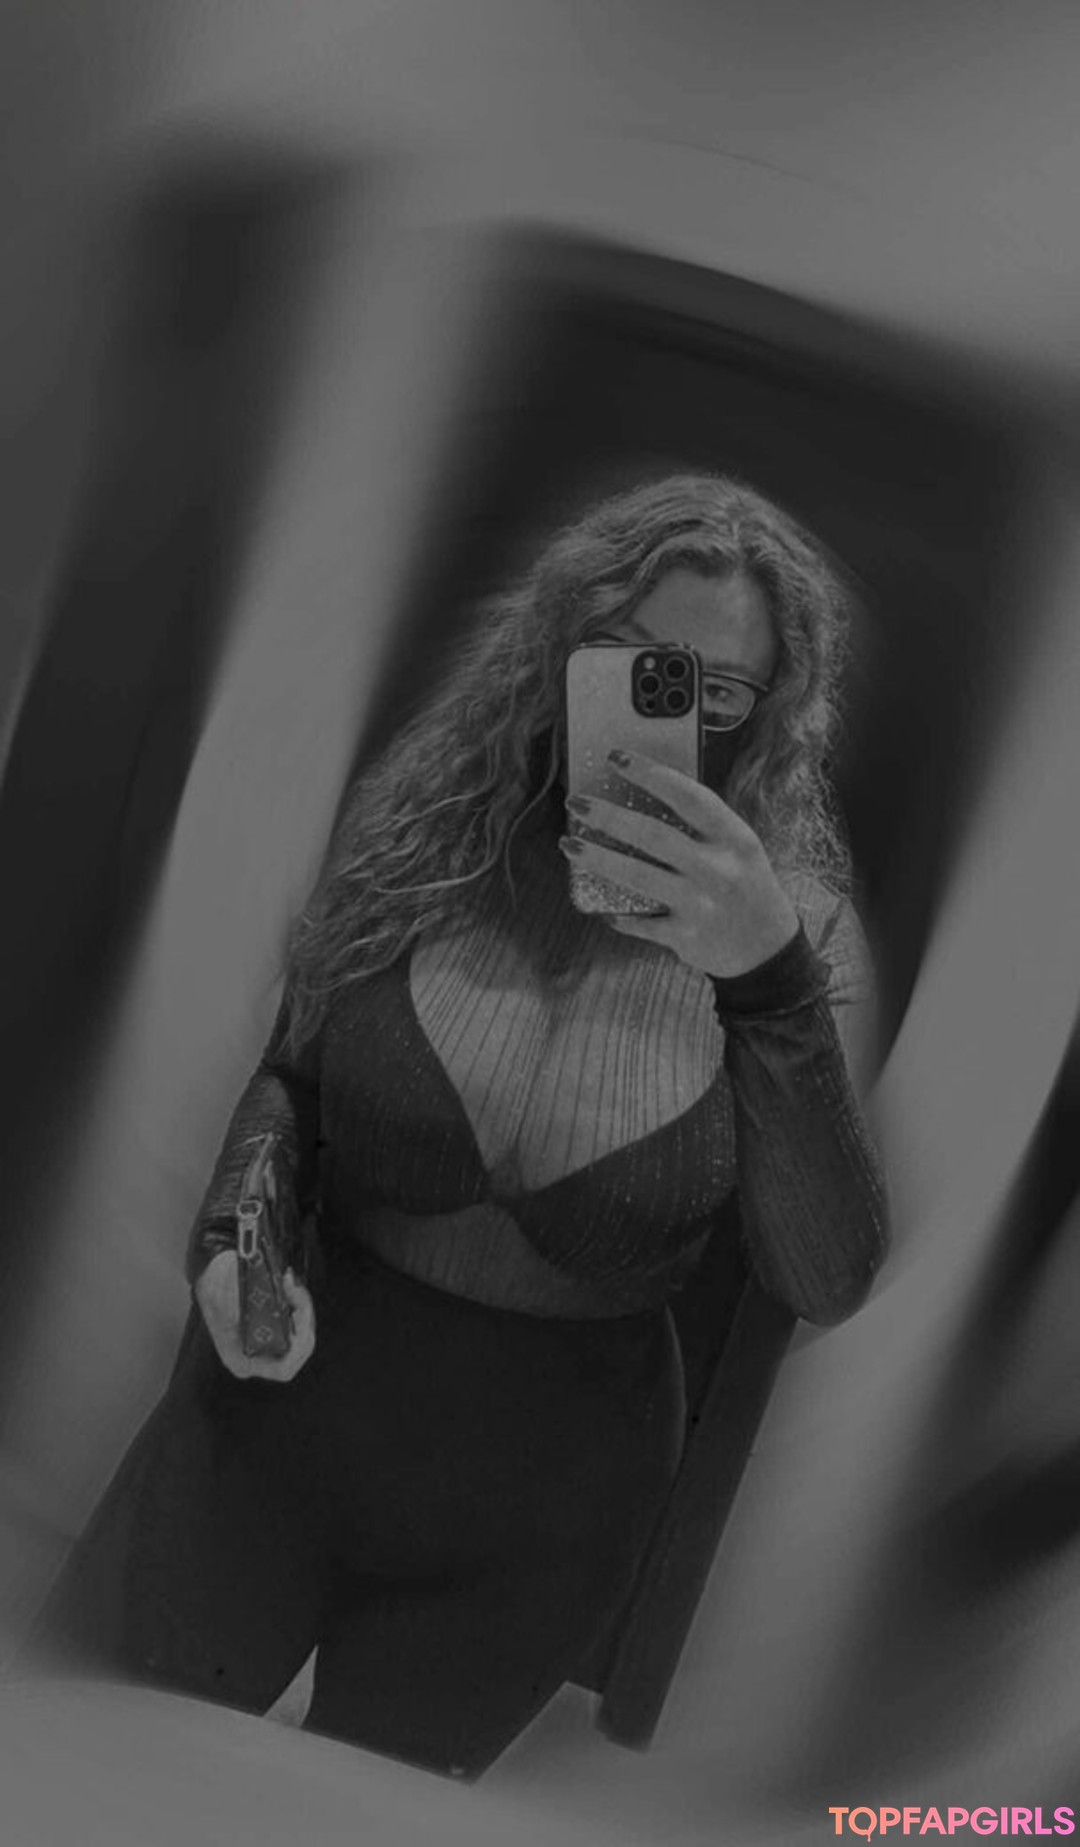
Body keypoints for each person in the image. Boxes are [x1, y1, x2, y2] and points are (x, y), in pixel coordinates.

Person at [33, 472, 888, 1778]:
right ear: (563, 643)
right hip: (276, 1416)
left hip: (542, 1510)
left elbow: (824, 1274)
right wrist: (233, 1246)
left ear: (770, 713)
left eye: (717, 692)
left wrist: (764, 980)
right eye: (632, 658)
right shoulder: (431, 821)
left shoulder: (801, 930)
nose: (667, 709)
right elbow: (295, 1082)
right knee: (93, 1768)